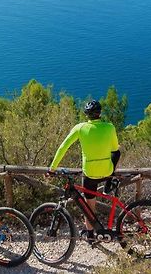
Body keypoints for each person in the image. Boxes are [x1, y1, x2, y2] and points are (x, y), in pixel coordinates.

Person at [49, 100, 120, 242]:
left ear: (86, 114)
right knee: (117, 152)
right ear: (100, 113)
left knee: (89, 206)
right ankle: (109, 181)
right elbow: (115, 151)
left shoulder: (80, 128)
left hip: (90, 173)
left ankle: (90, 235)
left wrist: (52, 168)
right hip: (107, 170)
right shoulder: (109, 127)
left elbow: (63, 147)